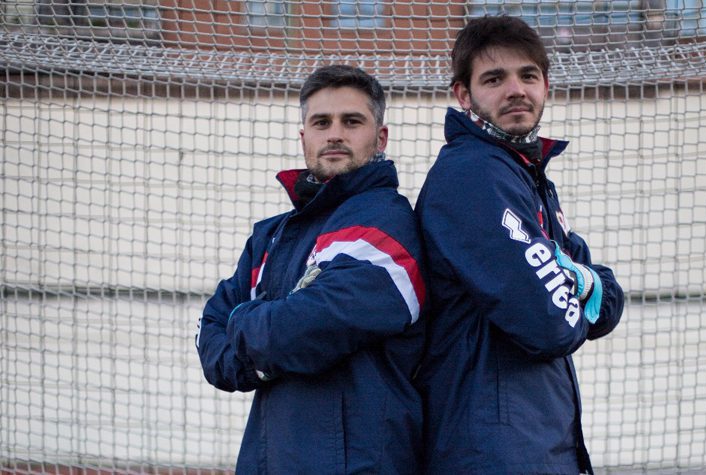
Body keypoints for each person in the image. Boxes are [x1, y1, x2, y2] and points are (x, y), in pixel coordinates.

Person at [414, 16, 625, 474]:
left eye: (527, 75)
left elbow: (607, 303)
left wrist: (584, 283)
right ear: (463, 95)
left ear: (545, 84)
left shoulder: (525, 176)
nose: (515, 90)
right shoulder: (474, 174)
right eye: (494, 79)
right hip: (493, 450)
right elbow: (551, 324)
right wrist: (581, 285)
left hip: (537, 440)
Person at [196, 65, 426, 474]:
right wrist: (265, 350)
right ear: (304, 136)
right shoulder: (270, 235)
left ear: (381, 138)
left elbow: (309, 327)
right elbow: (210, 335)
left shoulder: (388, 221)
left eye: (351, 121)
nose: (335, 134)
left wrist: (246, 323)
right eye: (322, 122)